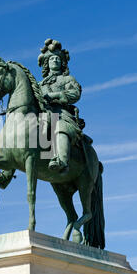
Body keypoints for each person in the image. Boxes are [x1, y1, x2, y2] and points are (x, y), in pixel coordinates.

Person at [38, 38, 83, 174]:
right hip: (43, 114)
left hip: (62, 114)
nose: (55, 61)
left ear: (62, 62)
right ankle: (7, 171)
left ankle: (61, 161)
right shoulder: (39, 84)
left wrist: (54, 95)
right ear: (47, 62)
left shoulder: (68, 79)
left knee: (60, 126)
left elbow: (75, 93)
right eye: (52, 59)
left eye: (57, 58)